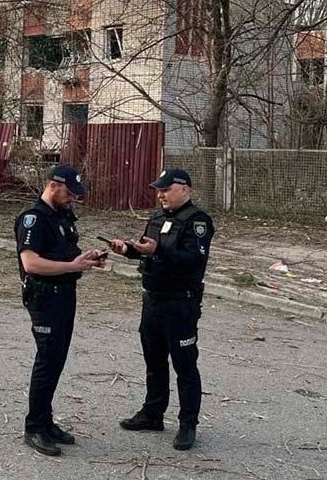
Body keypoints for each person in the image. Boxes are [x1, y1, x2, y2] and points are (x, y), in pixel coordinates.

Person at [109, 168, 215, 451]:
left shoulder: (198, 222)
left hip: (180, 302)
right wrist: (128, 250)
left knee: (184, 364)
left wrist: (157, 251)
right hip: (152, 299)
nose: (161, 195)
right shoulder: (156, 218)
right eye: (159, 189)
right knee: (154, 360)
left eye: (166, 189)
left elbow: (192, 260)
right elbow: (148, 249)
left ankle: (188, 423)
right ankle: (153, 414)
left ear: (185, 189)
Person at [15, 164, 107, 457]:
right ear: (53, 185)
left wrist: (85, 258)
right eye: (69, 192)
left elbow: (65, 253)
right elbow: (31, 263)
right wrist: (72, 266)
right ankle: (34, 428)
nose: (72, 199)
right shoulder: (34, 219)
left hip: (65, 295)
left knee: (57, 360)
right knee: (46, 360)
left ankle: (47, 421)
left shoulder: (62, 215)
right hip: (44, 298)